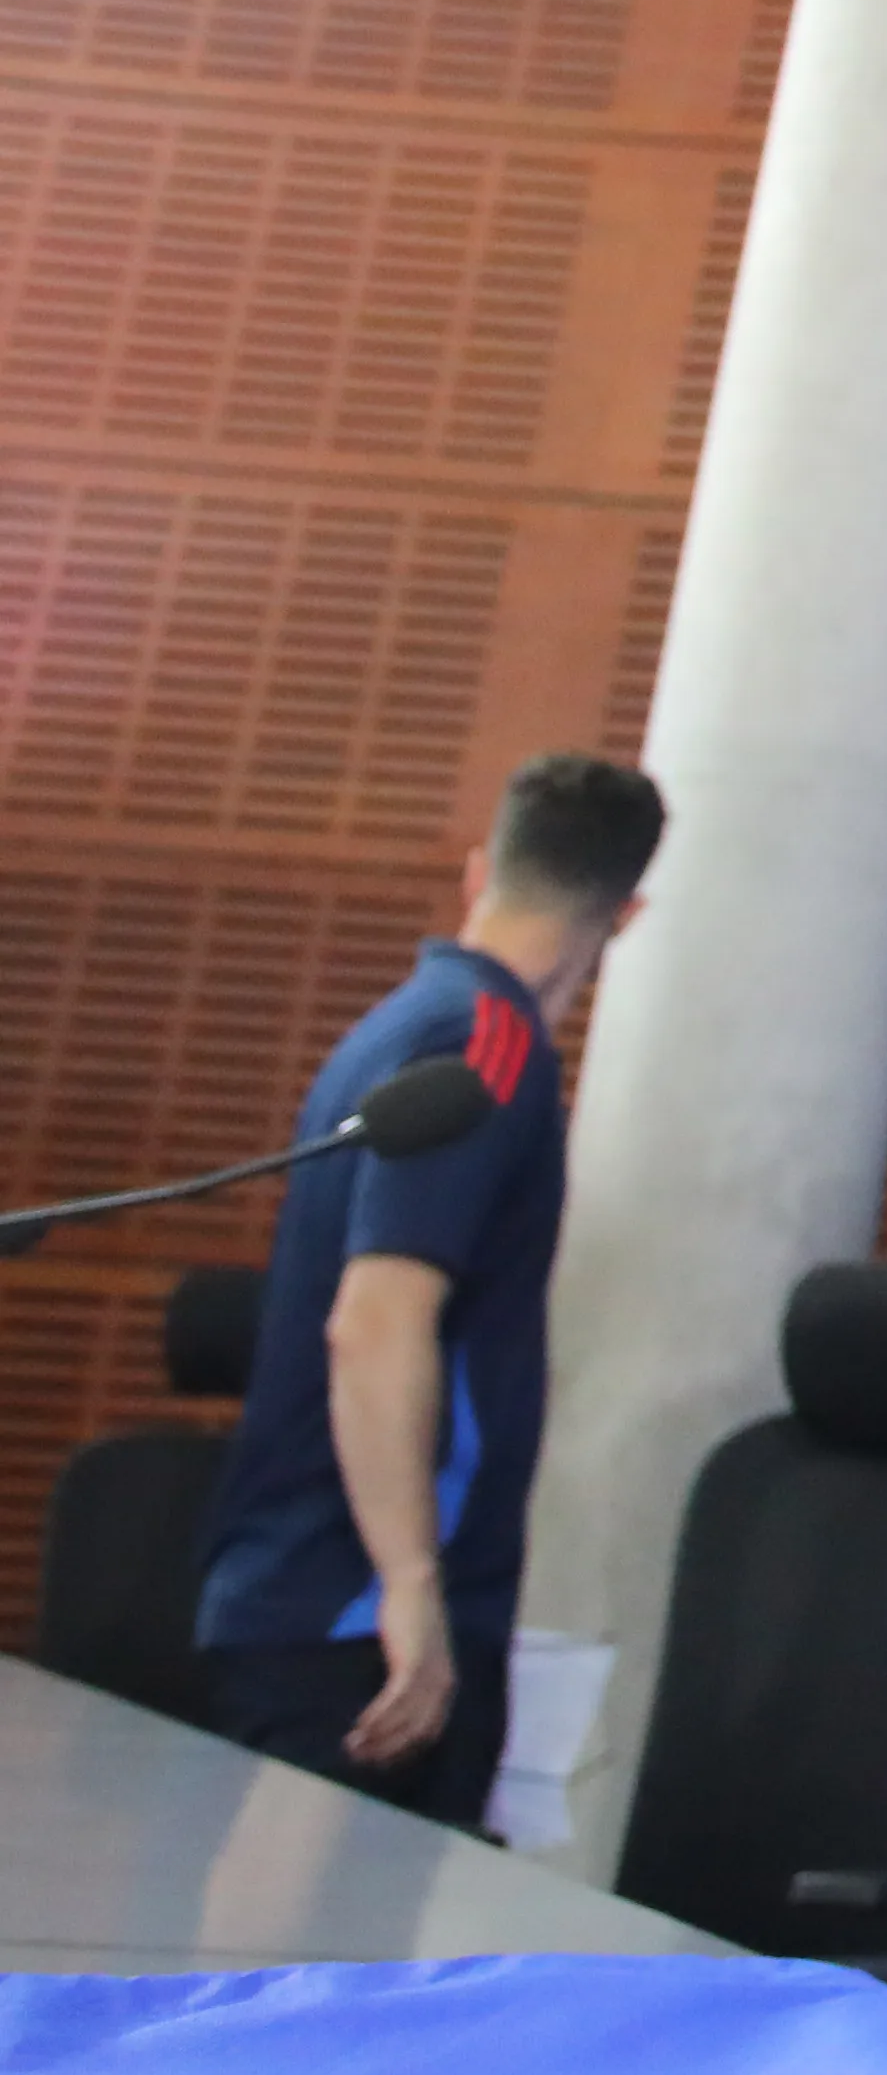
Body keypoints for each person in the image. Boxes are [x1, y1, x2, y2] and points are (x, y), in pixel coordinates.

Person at [197, 748, 665, 1829]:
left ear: (477, 871)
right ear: (627, 912)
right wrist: (411, 1583)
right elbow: (376, 1322)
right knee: (322, 1982)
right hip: (360, 1617)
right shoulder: (484, 1051)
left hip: (305, 1589)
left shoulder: (403, 1024)